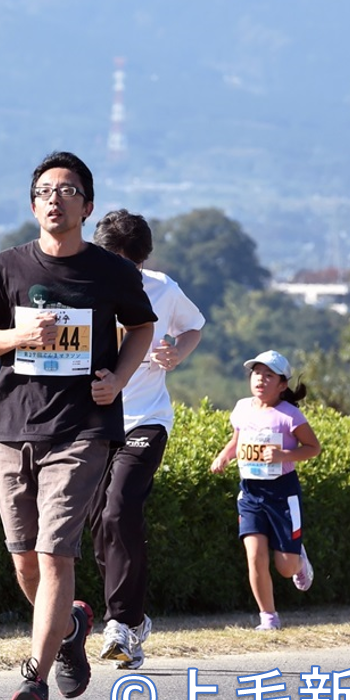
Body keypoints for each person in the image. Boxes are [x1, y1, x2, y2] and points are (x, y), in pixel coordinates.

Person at [0, 152, 156, 700]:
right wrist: (18, 335)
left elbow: (142, 326)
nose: (55, 199)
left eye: (68, 191)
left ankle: (34, 681)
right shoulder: (5, 267)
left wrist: (118, 378)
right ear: (32, 204)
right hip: (12, 426)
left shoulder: (112, 271)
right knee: (25, 561)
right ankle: (70, 626)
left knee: (54, 552)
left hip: (83, 430)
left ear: (87, 206)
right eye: (45, 191)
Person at [88, 209, 205, 670]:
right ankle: (134, 622)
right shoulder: (82, 286)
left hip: (146, 420)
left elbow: (193, 326)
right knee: (101, 525)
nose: (125, 272)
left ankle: (120, 622)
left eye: (132, 264)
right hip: (95, 423)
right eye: (114, 260)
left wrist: (176, 352)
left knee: (119, 508)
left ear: (143, 260)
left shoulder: (162, 289)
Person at [210, 350, 321, 630]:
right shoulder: (242, 408)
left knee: (285, 567)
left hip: (283, 493)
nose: (260, 379)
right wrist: (224, 456)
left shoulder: (289, 415)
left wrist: (284, 455)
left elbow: (313, 448)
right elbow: (237, 440)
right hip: (250, 492)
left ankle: (299, 561)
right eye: (257, 373)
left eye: (269, 375)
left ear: (282, 384)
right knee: (255, 555)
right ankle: (268, 618)